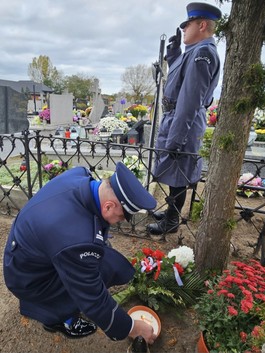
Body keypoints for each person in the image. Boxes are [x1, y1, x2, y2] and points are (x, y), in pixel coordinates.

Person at [3, 162, 157, 344]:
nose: (119, 222)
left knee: (102, 259)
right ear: (108, 206)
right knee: (100, 271)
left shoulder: (79, 175)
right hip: (28, 280)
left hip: (24, 257)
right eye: (122, 217)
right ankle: (59, 319)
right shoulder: (76, 239)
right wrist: (132, 327)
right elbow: (91, 296)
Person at [147, 2, 222, 236]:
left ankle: (171, 221)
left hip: (183, 121)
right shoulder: (194, 52)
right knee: (173, 172)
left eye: (187, 25)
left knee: (177, 172)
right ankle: (172, 212)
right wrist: (174, 56)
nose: (184, 30)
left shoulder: (203, 53)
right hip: (176, 118)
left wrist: (175, 139)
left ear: (201, 25)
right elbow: (180, 79)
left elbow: (189, 100)